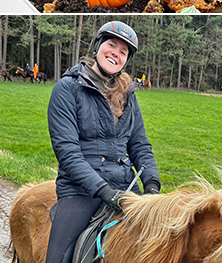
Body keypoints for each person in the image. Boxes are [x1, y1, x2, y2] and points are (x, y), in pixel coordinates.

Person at [44, 21, 161, 263]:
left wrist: (151, 184)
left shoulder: (128, 95)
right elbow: (67, 153)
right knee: (58, 259)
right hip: (80, 190)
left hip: (126, 188)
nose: (115, 54)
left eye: (123, 52)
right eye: (111, 45)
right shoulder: (68, 89)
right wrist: (102, 190)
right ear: (98, 45)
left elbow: (140, 145)